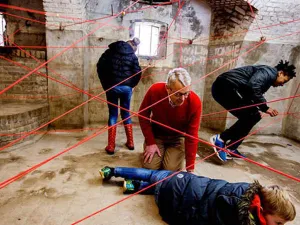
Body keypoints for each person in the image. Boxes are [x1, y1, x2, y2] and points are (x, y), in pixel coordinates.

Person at [99, 166, 296, 225]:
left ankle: (117, 172)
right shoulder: (238, 212)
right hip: (178, 192)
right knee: (156, 179)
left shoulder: (248, 191)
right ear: (261, 210)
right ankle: (127, 179)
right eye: (278, 223)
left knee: (156, 178)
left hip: (184, 183)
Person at [210, 60, 296, 162]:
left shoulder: (268, 78)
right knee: (251, 116)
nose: (282, 84)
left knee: (254, 115)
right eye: (284, 81)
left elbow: (250, 93)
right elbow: (253, 86)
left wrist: (259, 109)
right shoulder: (268, 73)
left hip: (228, 87)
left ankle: (231, 148)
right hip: (225, 86)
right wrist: (265, 108)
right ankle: (220, 139)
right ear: (281, 73)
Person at [138, 68, 202, 172]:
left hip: (177, 138)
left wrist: (190, 168)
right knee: (150, 167)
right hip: (157, 135)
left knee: (170, 169)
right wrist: (150, 142)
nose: (182, 99)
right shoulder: (155, 90)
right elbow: (142, 115)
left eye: (186, 93)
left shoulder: (195, 102)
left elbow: (192, 136)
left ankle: (174, 156)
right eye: (178, 94)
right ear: (168, 88)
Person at [97, 37, 142, 155]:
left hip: (112, 87)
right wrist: (131, 85)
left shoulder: (109, 52)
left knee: (113, 114)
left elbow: (100, 67)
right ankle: (130, 143)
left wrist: (106, 85)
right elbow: (138, 72)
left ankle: (111, 146)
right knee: (126, 113)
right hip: (126, 88)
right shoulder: (132, 55)